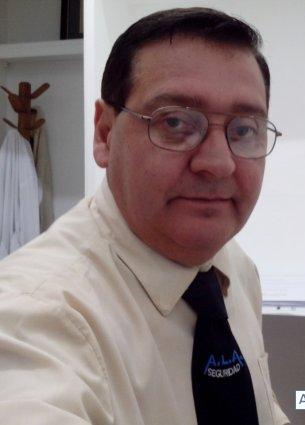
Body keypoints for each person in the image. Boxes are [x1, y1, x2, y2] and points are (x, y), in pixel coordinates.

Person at [0, 7, 289, 425]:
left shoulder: (234, 268)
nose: (218, 164)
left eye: (244, 129)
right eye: (174, 122)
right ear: (105, 134)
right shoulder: (35, 317)